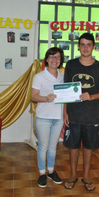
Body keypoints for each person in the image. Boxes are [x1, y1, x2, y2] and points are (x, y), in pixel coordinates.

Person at [63, 33, 99, 191]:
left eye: (88, 44)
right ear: (78, 46)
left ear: (94, 47)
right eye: (82, 44)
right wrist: (65, 112)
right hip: (73, 114)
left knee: (89, 146)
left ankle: (87, 176)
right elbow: (65, 91)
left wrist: (91, 96)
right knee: (73, 146)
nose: (85, 47)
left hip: (91, 114)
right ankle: (73, 175)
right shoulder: (71, 65)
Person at [31, 47, 65, 188]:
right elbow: (33, 97)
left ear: (60, 60)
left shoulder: (63, 77)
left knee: (53, 147)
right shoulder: (39, 76)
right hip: (43, 118)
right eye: (51, 56)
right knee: (43, 147)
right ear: (46, 59)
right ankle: (42, 173)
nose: (54, 59)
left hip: (58, 118)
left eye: (57, 57)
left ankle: (51, 171)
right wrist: (46, 98)